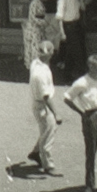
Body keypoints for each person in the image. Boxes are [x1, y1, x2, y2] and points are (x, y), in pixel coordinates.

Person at [65, 54, 97, 192]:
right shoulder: (81, 82)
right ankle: (89, 185)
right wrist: (81, 112)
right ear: (91, 67)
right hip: (90, 116)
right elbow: (67, 98)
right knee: (91, 151)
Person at [26, 41, 64, 176]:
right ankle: (48, 164)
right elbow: (46, 96)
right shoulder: (40, 74)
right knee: (50, 130)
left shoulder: (36, 63)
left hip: (37, 103)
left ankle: (36, 152)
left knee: (45, 130)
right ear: (51, 53)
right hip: (42, 106)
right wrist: (56, 113)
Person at [57, 0, 89, 77]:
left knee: (71, 52)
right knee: (77, 51)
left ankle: (67, 75)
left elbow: (83, 8)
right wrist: (62, 32)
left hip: (77, 24)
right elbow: (59, 17)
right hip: (68, 26)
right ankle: (83, 74)